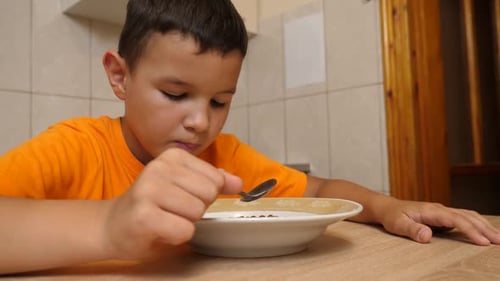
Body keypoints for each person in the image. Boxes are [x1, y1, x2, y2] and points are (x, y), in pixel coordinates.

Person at [0, 0, 499, 275]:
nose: (201, 122)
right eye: (176, 94)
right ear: (120, 77)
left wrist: (388, 205)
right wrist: (109, 225)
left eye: (220, 101)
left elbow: (320, 193)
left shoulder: (224, 155)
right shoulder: (74, 146)